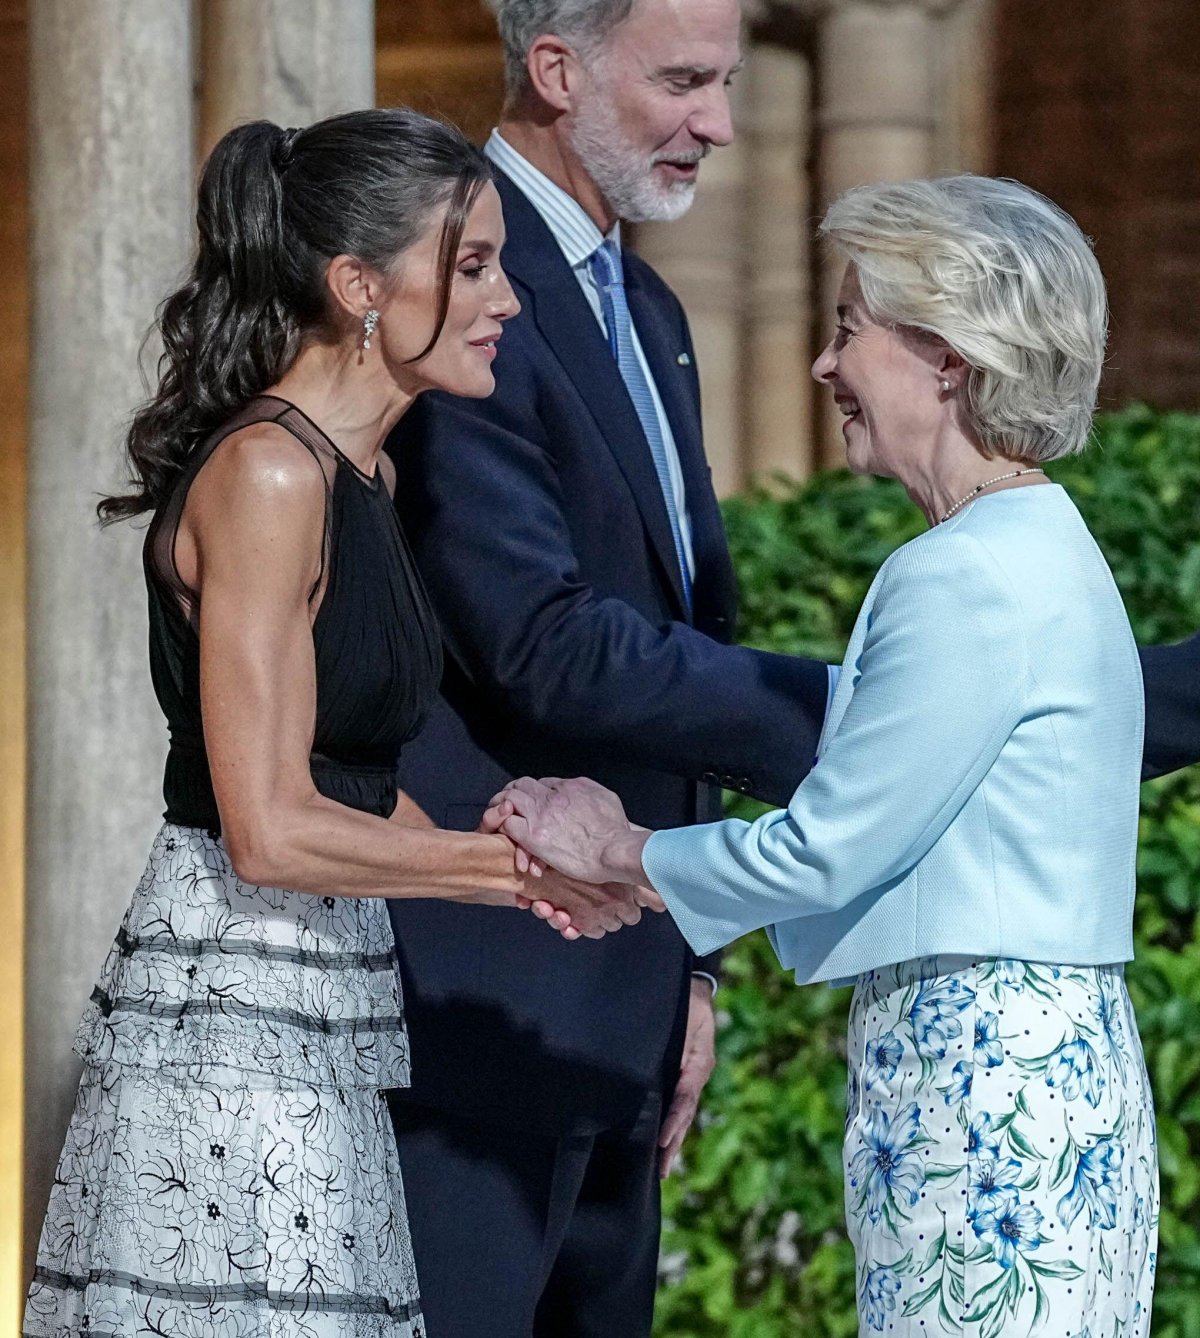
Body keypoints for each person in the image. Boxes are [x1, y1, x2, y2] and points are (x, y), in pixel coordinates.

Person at [493, 176, 1160, 1337]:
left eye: (849, 327)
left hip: (982, 1087)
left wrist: (619, 846)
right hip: (1026, 1071)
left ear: (948, 355)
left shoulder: (964, 573)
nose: (824, 364)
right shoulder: (1038, 546)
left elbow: (829, 850)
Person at [22, 108, 645, 1338]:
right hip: (233, 1018)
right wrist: (523, 870)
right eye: (471, 266)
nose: (507, 300)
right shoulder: (269, 473)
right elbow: (266, 830)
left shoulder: (367, 476)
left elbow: (346, 781)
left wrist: (538, 867)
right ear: (358, 286)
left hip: (322, 1001)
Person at [382, 0, 831, 1333]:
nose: (722, 124)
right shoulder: (447, 283)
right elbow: (543, 640)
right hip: (476, 1007)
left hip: (621, 1011)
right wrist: (855, 715)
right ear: (556, 68)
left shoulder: (649, 301)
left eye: (730, 83)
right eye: (685, 81)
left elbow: (692, 632)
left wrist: (687, 966)